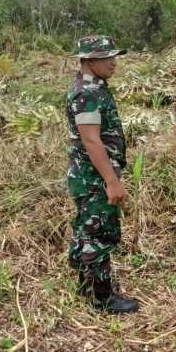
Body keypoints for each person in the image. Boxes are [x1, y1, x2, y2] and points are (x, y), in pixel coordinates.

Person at [66, 35, 139, 313]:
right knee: (100, 235)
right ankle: (103, 298)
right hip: (95, 179)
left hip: (89, 177)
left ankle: (87, 288)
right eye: (106, 57)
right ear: (88, 60)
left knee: (87, 230)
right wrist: (111, 181)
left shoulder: (94, 86)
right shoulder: (88, 93)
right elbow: (91, 141)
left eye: (113, 56)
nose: (113, 63)